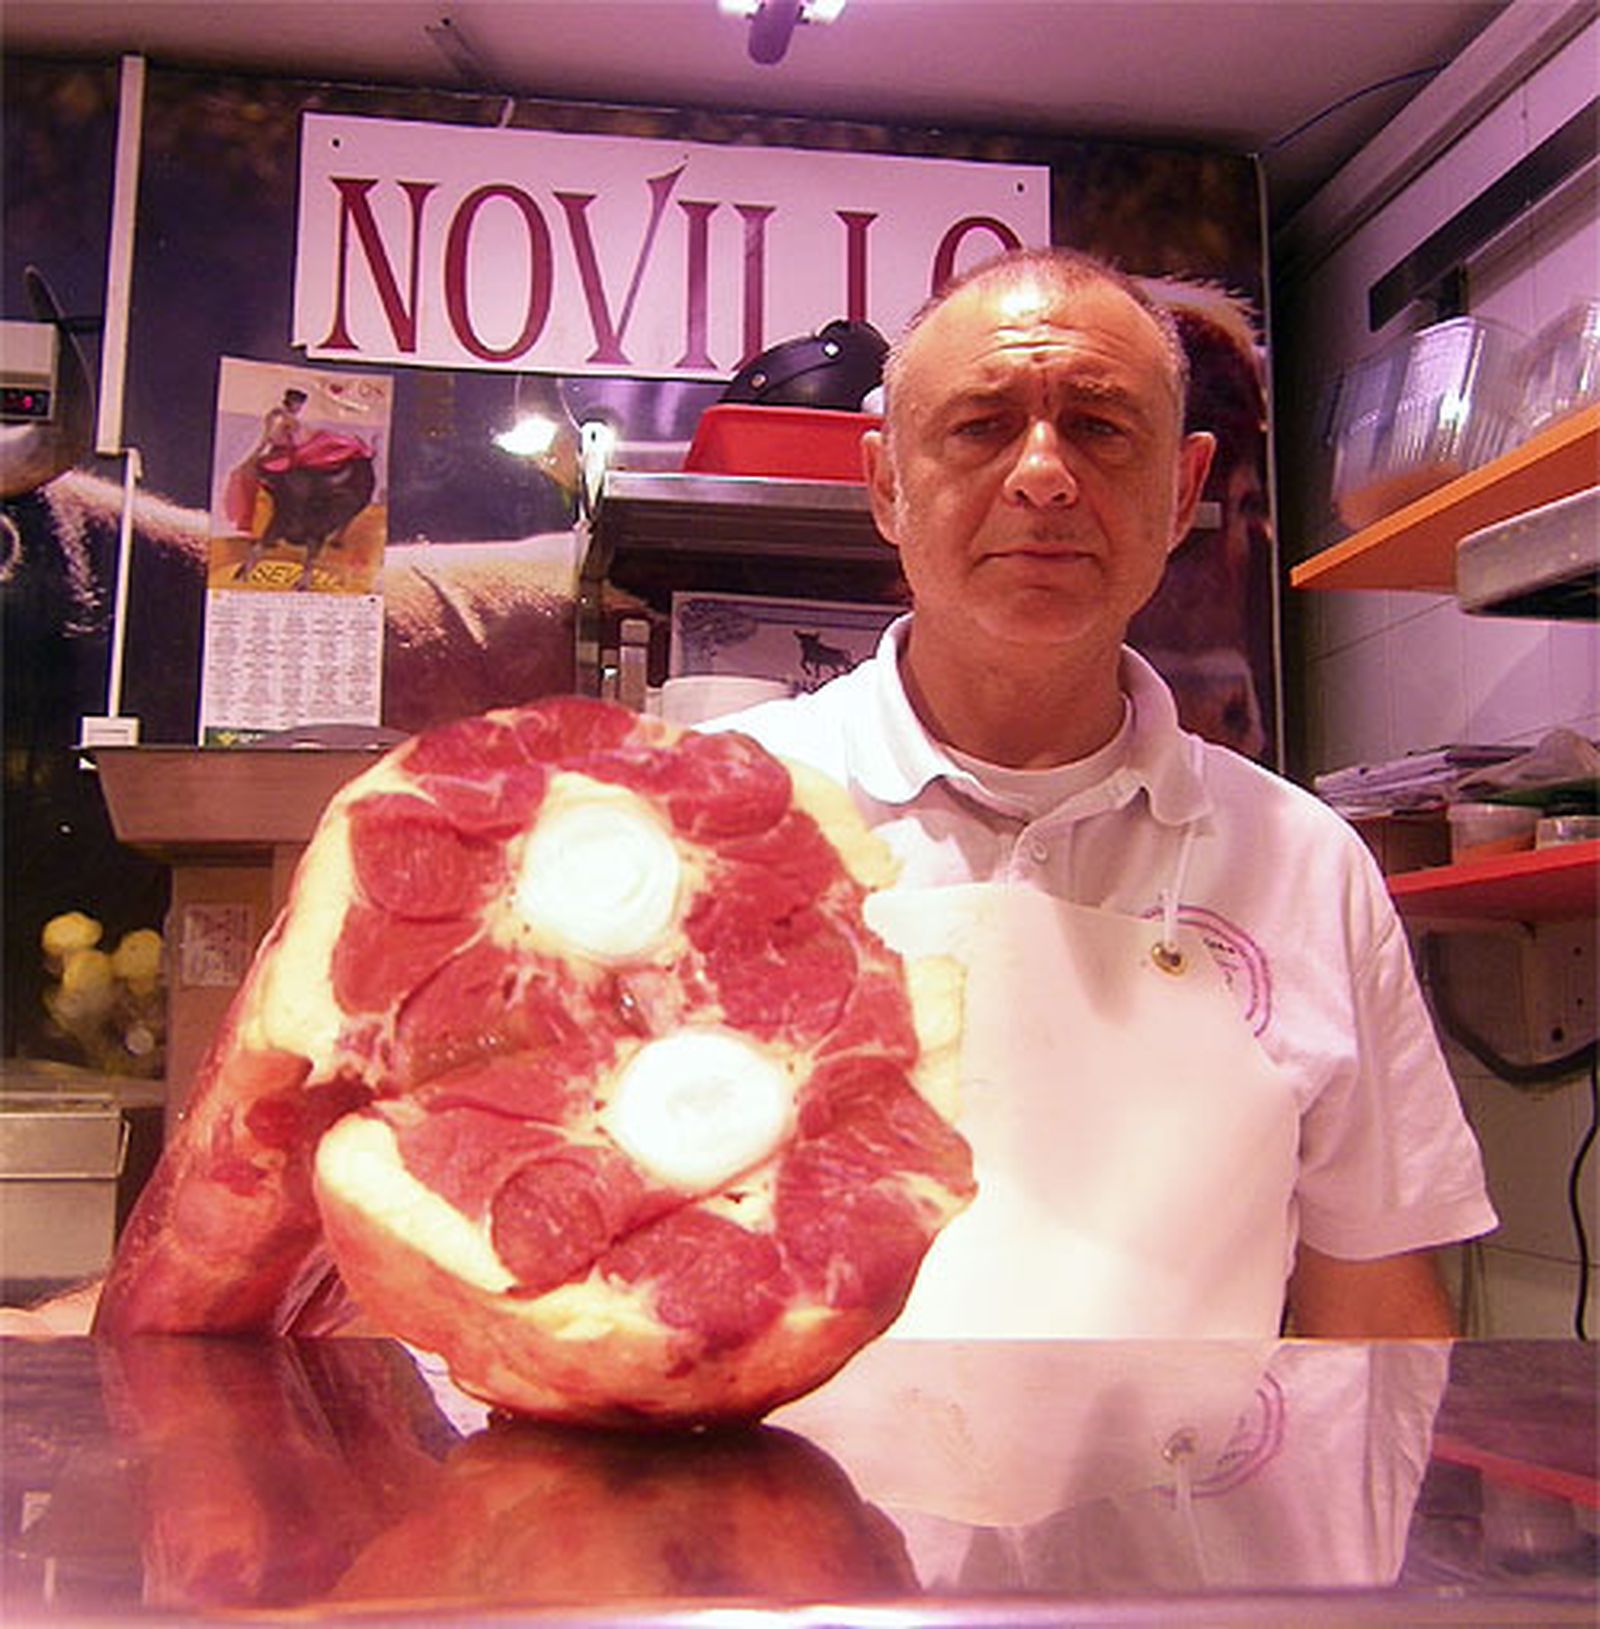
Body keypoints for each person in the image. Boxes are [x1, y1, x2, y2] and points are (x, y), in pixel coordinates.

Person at [704, 246, 1495, 1339]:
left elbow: (1375, 1318)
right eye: (980, 426)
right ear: (885, 485)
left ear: (1179, 492)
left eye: (1101, 427)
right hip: (794, 1503)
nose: (1043, 475)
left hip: (1193, 1508)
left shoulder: (1306, 864)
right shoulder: (726, 813)